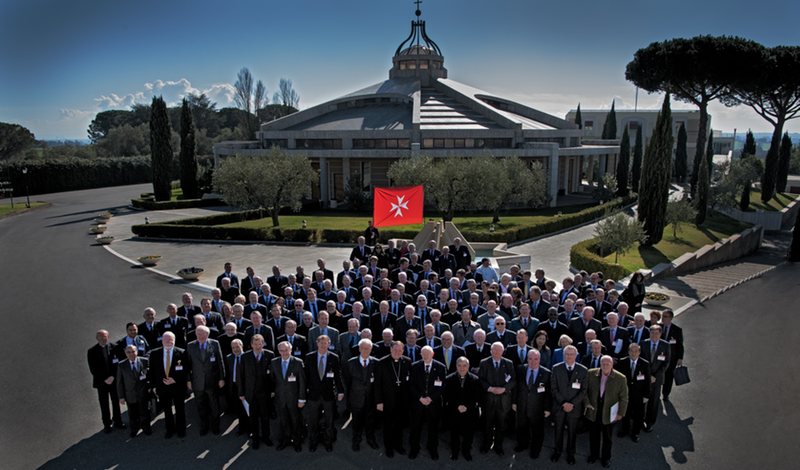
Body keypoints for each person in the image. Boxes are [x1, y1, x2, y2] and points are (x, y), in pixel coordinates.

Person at [584, 355, 628, 468]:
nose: (605, 366)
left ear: (612, 365)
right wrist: (587, 403)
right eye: (603, 364)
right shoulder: (590, 373)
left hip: (609, 412)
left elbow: (624, 398)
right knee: (594, 436)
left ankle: (606, 458)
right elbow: (584, 391)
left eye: (608, 364)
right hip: (594, 410)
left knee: (607, 438)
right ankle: (594, 455)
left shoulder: (621, 378)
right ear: (600, 364)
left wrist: (620, 413)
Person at [304, 335, 344, 452]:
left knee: (329, 420)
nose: (323, 345)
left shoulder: (334, 357)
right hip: (313, 395)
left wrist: (340, 390)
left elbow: (337, 376)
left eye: (325, 343)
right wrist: (303, 394)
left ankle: (328, 441)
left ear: (329, 344)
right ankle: (313, 442)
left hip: (328, 395)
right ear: (317, 343)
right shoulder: (309, 357)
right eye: (321, 343)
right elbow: (305, 377)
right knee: (313, 420)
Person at [550, 345, 588, 464]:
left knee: (572, 432)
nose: (569, 356)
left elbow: (583, 391)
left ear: (576, 355)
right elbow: (553, 388)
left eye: (572, 354)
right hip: (559, 406)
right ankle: (557, 452)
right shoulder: (556, 368)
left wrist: (571, 404)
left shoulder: (583, 370)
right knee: (558, 431)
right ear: (563, 355)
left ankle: (571, 454)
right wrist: (563, 403)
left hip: (574, 408)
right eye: (567, 354)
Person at [408, 346, 447, 460]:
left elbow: (442, 385)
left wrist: (431, 398)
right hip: (418, 403)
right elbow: (411, 385)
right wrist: (420, 398)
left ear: (432, 354)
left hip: (433, 403)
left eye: (428, 354)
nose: (425, 356)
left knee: (433, 428)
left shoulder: (440, 367)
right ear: (420, 354)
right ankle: (414, 449)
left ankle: (433, 449)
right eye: (423, 354)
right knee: (415, 427)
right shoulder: (415, 366)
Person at [148, 331, 189, 438]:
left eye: (171, 340)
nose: (168, 342)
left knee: (180, 409)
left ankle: (181, 430)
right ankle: (170, 430)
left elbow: (186, 370)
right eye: (166, 340)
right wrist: (153, 387)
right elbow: (152, 371)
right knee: (167, 410)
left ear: (174, 341)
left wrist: (175, 379)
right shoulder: (154, 353)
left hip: (177, 386)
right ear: (162, 341)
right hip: (162, 387)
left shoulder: (182, 352)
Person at [375, 341, 412, 457]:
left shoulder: (407, 361)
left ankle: (399, 445)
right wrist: (379, 401)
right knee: (388, 425)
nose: (397, 352)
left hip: (403, 401)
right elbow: (377, 385)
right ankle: (389, 447)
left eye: (400, 350)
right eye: (395, 350)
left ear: (403, 350)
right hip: (387, 401)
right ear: (390, 350)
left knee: (400, 425)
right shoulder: (382, 362)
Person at [186, 325, 226, 435]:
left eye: (202, 333)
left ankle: (215, 427)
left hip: (212, 381)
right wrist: (188, 380)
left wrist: (222, 378)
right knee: (201, 406)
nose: (200, 335)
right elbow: (188, 365)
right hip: (197, 382)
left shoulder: (214, 343)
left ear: (207, 334)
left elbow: (220, 361)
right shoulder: (190, 346)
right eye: (198, 333)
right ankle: (204, 427)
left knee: (214, 406)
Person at [478, 342, 516, 455]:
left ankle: (498, 446)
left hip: (503, 401)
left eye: (499, 350)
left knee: (501, 424)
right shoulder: (484, 363)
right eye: (494, 350)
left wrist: (504, 389)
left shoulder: (508, 363)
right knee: (487, 423)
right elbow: (480, 380)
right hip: (488, 400)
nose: (496, 352)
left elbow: (513, 380)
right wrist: (489, 388)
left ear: (503, 351)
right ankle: (487, 444)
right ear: (490, 351)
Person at [512, 349, 551, 458]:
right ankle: (522, 444)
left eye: (535, 359)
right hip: (522, 404)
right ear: (527, 359)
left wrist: (547, 408)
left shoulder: (546, 373)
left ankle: (535, 449)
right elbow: (516, 387)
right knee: (521, 427)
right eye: (530, 359)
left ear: (539, 359)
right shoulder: (520, 369)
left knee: (537, 430)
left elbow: (548, 393)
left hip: (537, 408)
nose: (532, 361)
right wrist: (514, 402)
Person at [239, 334, 274, 449]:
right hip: (251, 393)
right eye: (256, 344)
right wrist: (241, 393)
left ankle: (266, 437)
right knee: (253, 417)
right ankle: (255, 439)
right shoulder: (245, 357)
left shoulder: (270, 355)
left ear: (263, 344)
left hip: (265, 393)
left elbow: (273, 375)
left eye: (260, 344)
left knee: (265, 416)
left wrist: (273, 390)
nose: (258, 346)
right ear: (251, 344)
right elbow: (240, 376)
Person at [343, 339, 380, 451]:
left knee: (370, 421)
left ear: (371, 349)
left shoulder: (376, 363)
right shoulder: (351, 362)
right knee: (356, 421)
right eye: (363, 348)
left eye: (368, 348)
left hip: (371, 398)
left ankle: (370, 439)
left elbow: (378, 383)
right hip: (356, 398)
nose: (365, 350)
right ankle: (356, 439)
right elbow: (347, 381)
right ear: (359, 349)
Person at [443, 356, 481, 461]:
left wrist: (467, 406)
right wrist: (457, 406)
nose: (462, 368)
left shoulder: (475, 379)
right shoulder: (449, 378)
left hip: (469, 411)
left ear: (468, 366)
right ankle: (454, 451)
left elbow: (477, 396)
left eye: (464, 366)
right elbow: (447, 395)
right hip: (454, 411)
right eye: (459, 365)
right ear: (456, 366)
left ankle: (466, 451)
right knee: (454, 433)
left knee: (468, 434)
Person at [271, 341, 306, 452]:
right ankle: (285, 440)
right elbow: (272, 381)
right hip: (280, 398)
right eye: (281, 350)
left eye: (286, 350)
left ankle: (297, 442)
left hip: (294, 399)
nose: (284, 352)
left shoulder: (298, 362)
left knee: (295, 421)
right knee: (283, 421)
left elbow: (302, 382)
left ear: (290, 350)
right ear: (278, 351)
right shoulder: (274, 362)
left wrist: (301, 398)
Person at [87, 329, 124, 433]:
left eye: (105, 336)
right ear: (97, 338)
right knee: (104, 403)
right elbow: (93, 368)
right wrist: (105, 379)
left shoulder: (115, 347)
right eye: (100, 337)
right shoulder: (92, 351)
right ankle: (107, 424)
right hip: (101, 382)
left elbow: (118, 364)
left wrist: (112, 376)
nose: (103, 339)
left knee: (115, 401)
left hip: (114, 380)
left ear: (108, 337)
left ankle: (118, 421)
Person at [617, 343, 650, 442]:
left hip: (639, 395)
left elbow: (647, 381)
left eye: (636, 351)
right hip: (625, 394)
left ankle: (635, 433)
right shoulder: (622, 361)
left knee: (638, 415)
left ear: (639, 352)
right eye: (632, 351)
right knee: (625, 413)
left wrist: (646, 395)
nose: (634, 353)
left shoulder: (645, 364)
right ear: (628, 352)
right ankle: (625, 430)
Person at [116, 344, 152, 437]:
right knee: (132, 414)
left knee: (144, 412)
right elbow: (119, 382)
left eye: (133, 351)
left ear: (137, 351)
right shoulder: (121, 365)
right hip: (130, 394)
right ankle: (134, 429)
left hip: (143, 393)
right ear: (125, 353)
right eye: (129, 352)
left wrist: (150, 389)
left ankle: (146, 427)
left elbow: (150, 376)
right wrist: (121, 397)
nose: (131, 354)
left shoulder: (144, 361)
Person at [641, 324, 670, 431]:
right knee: (642, 399)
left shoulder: (665, 345)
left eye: (656, 333)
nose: (654, 335)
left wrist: (655, 376)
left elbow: (666, 363)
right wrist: (648, 375)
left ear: (660, 334)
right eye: (652, 333)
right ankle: (640, 419)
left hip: (657, 378)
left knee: (653, 401)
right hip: (644, 377)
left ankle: (650, 422)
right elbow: (641, 361)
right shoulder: (644, 343)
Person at [225, 339, 248, 436]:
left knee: (247, 409)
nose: (235, 349)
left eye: (237, 347)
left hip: (245, 387)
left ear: (241, 346)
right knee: (239, 410)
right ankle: (241, 428)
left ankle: (250, 429)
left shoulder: (247, 357)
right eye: (233, 347)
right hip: (234, 387)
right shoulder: (229, 358)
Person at [659, 309, 684, 400]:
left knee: (669, 376)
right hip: (659, 357)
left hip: (671, 358)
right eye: (662, 316)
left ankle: (666, 394)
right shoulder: (658, 327)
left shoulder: (677, 330)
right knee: (658, 374)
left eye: (665, 316)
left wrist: (680, 358)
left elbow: (680, 345)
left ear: (671, 318)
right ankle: (656, 392)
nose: (663, 318)